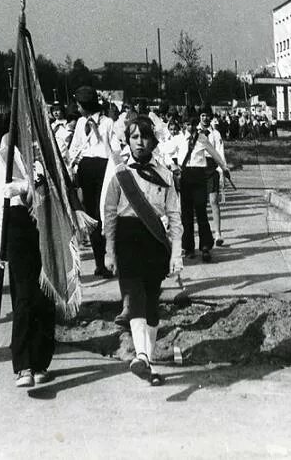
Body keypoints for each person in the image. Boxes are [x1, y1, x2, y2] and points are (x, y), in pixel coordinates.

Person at [103, 116, 182, 386]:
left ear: (154, 140)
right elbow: (110, 212)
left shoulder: (165, 174)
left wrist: (176, 253)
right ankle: (142, 356)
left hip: (154, 241)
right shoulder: (119, 172)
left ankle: (145, 360)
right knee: (134, 295)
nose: (139, 142)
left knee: (151, 300)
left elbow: (175, 216)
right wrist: (109, 250)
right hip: (127, 238)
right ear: (128, 139)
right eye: (134, 137)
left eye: (145, 137)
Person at [0, 135, 56, 388]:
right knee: (24, 295)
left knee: (44, 294)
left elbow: (55, 187)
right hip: (17, 223)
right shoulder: (4, 158)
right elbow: (1, 203)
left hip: (44, 220)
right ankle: (23, 365)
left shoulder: (44, 151)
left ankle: (41, 362)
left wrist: (24, 187)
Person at [67, 86, 119, 276]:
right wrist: (74, 164)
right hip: (86, 168)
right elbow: (74, 148)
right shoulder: (81, 123)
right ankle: (99, 262)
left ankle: (110, 257)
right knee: (92, 217)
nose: (78, 109)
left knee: (106, 211)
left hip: (104, 167)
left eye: (79, 105)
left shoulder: (107, 123)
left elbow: (115, 148)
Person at [173, 112, 216, 262]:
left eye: (192, 124)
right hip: (185, 176)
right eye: (187, 124)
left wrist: (224, 168)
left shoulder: (202, 139)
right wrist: (174, 167)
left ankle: (205, 246)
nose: (190, 127)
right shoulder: (178, 139)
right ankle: (189, 247)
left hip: (199, 176)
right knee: (186, 214)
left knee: (201, 211)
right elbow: (163, 152)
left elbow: (214, 154)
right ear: (184, 125)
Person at [199, 104, 229, 247]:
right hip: (198, 168)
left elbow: (220, 153)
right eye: (202, 115)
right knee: (200, 204)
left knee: (214, 201)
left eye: (207, 115)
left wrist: (222, 170)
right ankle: (205, 235)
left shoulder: (216, 134)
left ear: (211, 117)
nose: (205, 118)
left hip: (212, 169)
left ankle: (217, 233)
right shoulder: (195, 132)